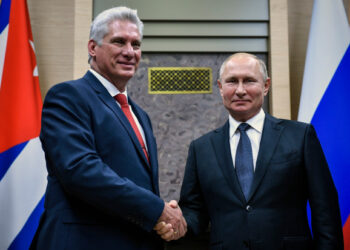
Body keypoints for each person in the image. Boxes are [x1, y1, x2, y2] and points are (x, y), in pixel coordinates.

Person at [30, 6, 186, 250]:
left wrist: (163, 217)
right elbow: (81, 170)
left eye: (135, 44)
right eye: (119, 42)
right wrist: (158, 210)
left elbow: (137, 184)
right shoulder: (68, 96)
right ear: (93, 47)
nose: (129, 52)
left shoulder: (140, 115)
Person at [156, 52, 344, 249]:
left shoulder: (300, 136)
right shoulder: (201, 148)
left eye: (249, 81)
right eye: (231, 81)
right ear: (220, 88)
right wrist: (179, 222)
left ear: (266, 86)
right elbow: (195, 211)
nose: (240, 90)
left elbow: (325, 210)